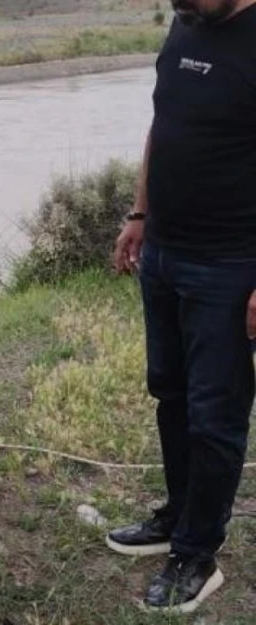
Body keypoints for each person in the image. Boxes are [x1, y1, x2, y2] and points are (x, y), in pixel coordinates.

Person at [109, 0, 256, 614]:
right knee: (168, 391)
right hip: (165, 250)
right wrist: (141, 214)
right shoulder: (187, 22)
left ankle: (198, 553)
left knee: (214, 413)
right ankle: (177, 515)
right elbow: (161, 123)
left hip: (228, 263)